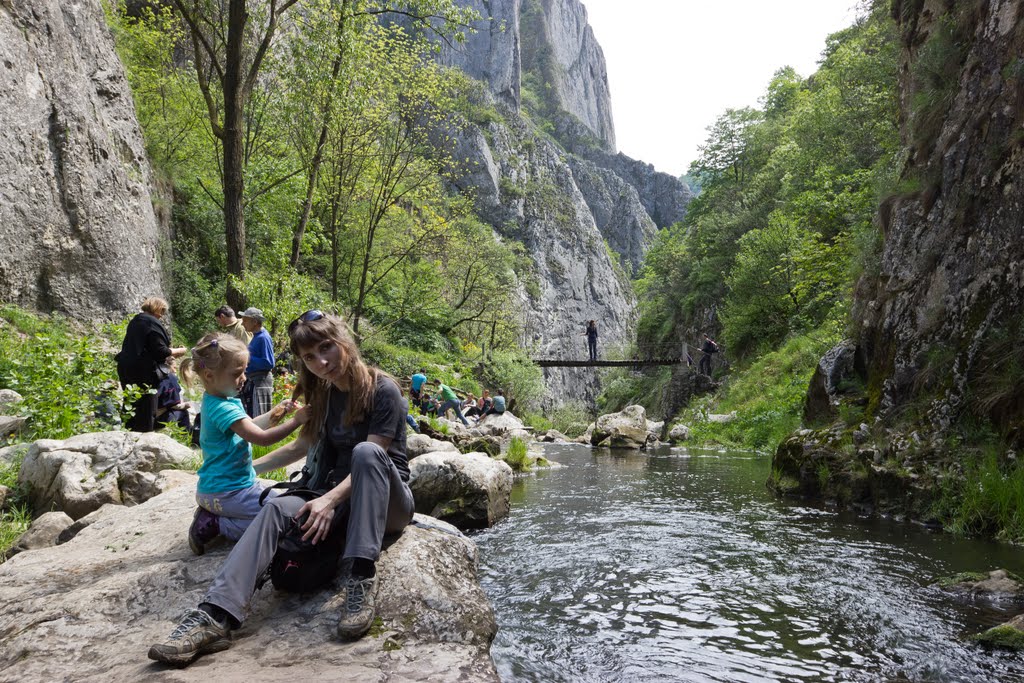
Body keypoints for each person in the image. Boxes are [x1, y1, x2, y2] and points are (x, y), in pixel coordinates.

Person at [148, 311, 415, 665]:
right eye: (309, 357)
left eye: (326, 348)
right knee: (276, 508)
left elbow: (375, 455)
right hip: (337, 495)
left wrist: (328, 502)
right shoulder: (328, 395)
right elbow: (301, 448)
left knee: (365, 453)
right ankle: (215, 615)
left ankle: (361, 576)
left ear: (344, 343)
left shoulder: (383, 390)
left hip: (388, 503)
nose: (321, 362)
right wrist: (249, 469)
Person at [179, 333, 308, 555]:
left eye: (245, 371)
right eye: (237, 373)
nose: (244, 378)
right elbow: (260, 438)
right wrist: (297, 421)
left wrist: (273, 415)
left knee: (286, 510)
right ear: (209, 375)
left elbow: (248, 428)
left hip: (228, 487)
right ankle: (216, 524)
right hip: (227, 492)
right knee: (282, 521)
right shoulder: (222, 408)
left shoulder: (221, 400)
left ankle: (217, 514)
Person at [115, 297, 187, 432]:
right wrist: (179, 351)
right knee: (146, 407)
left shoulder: (136, 321)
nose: (162, 316)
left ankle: (126, 432)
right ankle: (143, 438)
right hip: (143, 372)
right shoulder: (151, 323)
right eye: (162, 312)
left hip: (125, 367)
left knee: (131, 402)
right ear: (157, 309)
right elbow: (161, 351)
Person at [239, 308, 275, 418]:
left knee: (259, 417)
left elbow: (269, 363)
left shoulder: (263, 337)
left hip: (260, 383)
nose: (242, 323)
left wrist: (246, 357)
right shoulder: (257, 336)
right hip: (255, 381)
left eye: (245, 320)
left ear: (254, 322)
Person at [154, 358, 191, 432]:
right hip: (154, 420)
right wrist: (186, 405)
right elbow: (174, 405)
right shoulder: (170, 379)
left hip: (140, 417)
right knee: (183, 412)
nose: (175, 371)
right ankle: (189, 436)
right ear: (167, 366)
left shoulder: (152, 373)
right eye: (174, 368)